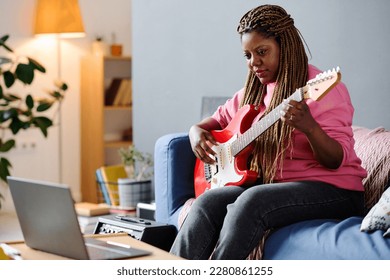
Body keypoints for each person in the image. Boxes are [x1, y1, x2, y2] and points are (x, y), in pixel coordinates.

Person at [169, 4, 367, 260]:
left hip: (335, 191)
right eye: (248, 55)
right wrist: (195, 132)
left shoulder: (323, 89)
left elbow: (335, 160)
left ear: (284, 45)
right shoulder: (254, 92)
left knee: (251, 202)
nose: (254, 63)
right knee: (207, 203)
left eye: (261, 52)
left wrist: (309, 127)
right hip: (273, 186)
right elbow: (214, 121)